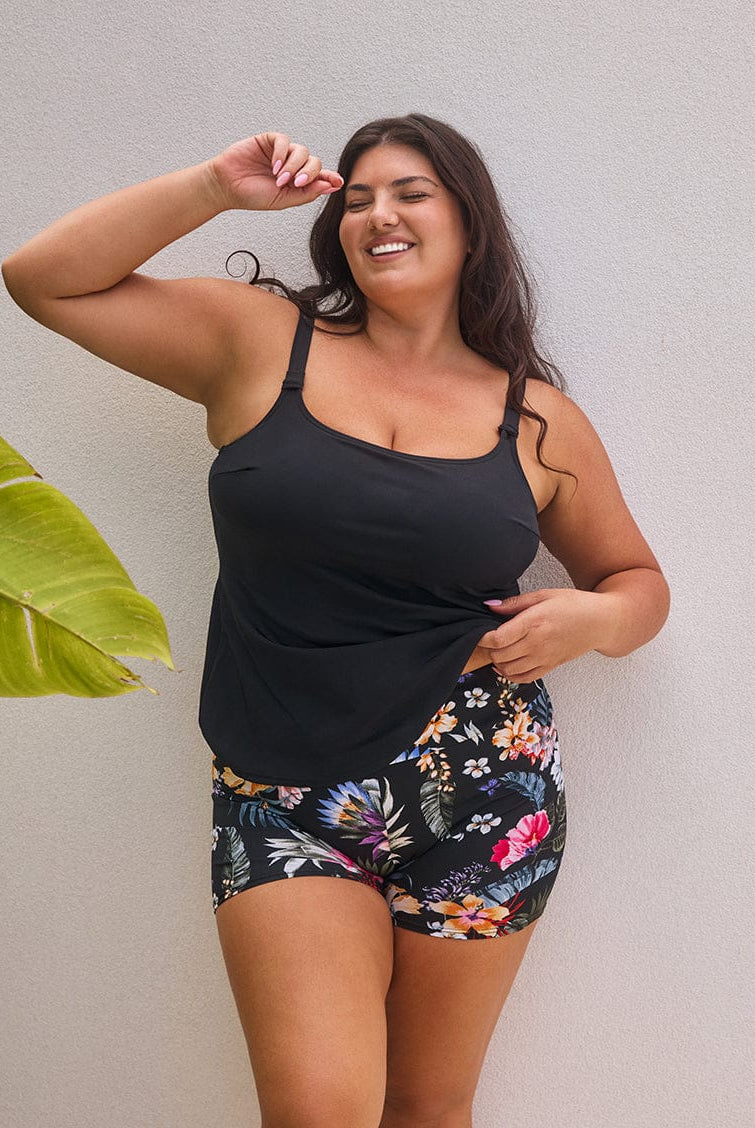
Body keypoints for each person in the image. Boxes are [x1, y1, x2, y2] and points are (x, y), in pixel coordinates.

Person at [2, 114, 670, 1128]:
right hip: (282, 782)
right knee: (317, 1111)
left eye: (408, 192)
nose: (377, 214)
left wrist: (593, 618)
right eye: (354, 198)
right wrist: (212, 188)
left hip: (486, 791)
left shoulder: (533, 418)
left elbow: (636, 583)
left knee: (428, 1109)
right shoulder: (259, 342)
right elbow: (42, 279)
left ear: (467, 225)